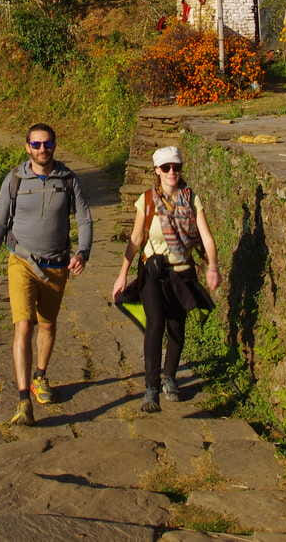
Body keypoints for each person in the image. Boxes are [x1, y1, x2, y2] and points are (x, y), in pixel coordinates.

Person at [0, 123, 92, 425]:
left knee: (47, 325)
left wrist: (83, 251)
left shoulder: (68, 179)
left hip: (56, 264)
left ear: (54, 145)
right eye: (36, 144)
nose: (42, 149)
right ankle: (22, 399)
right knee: (23, 326)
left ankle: (40, 376)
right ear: (27, 147)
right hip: (22, 262)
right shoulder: (15, 179)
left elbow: (84, 218)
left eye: (47, 144)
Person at [110, 145, 221, 413]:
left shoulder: (192, 199)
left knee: (177, 327)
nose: (172, 172)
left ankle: (169, 377)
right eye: (166, 168)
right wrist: (122, 273)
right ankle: (151, 389)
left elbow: (205, 236)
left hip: (182, 272)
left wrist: (213, 266)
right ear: (156, 171)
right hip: (153, 272)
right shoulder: (146, 201)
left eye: (176, 167)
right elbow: (136, 239)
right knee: (155, 325)